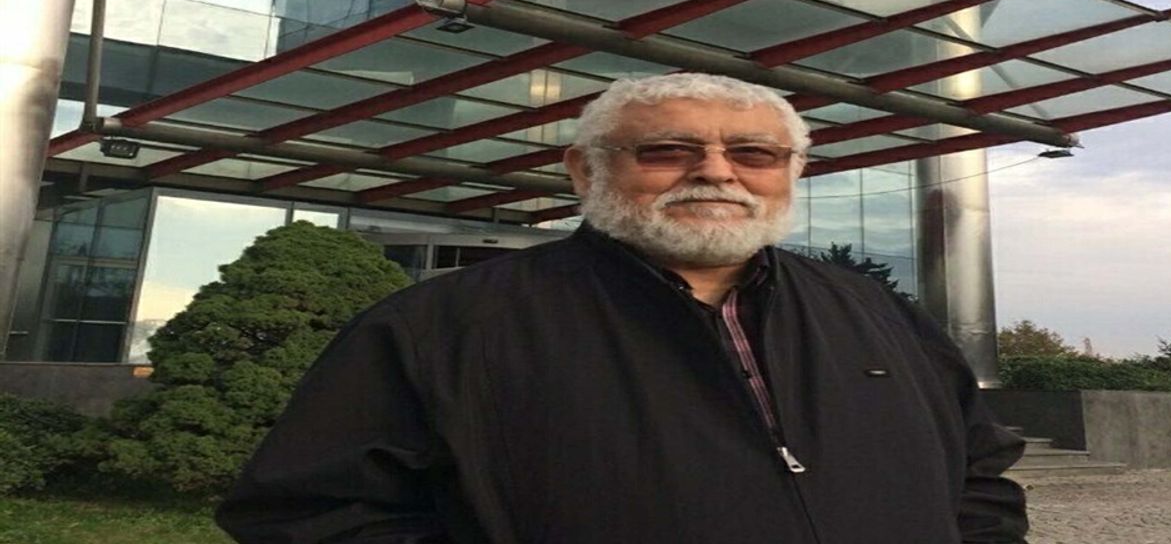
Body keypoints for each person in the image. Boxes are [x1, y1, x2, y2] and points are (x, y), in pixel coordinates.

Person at [216, 73, 1028, 543]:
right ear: (584, 171)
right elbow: (308, 516)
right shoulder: (441, 326)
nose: (716, 172)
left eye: (753, 153)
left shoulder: (873, 310)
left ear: (790, 174)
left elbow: (979, 475)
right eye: (668, 150)